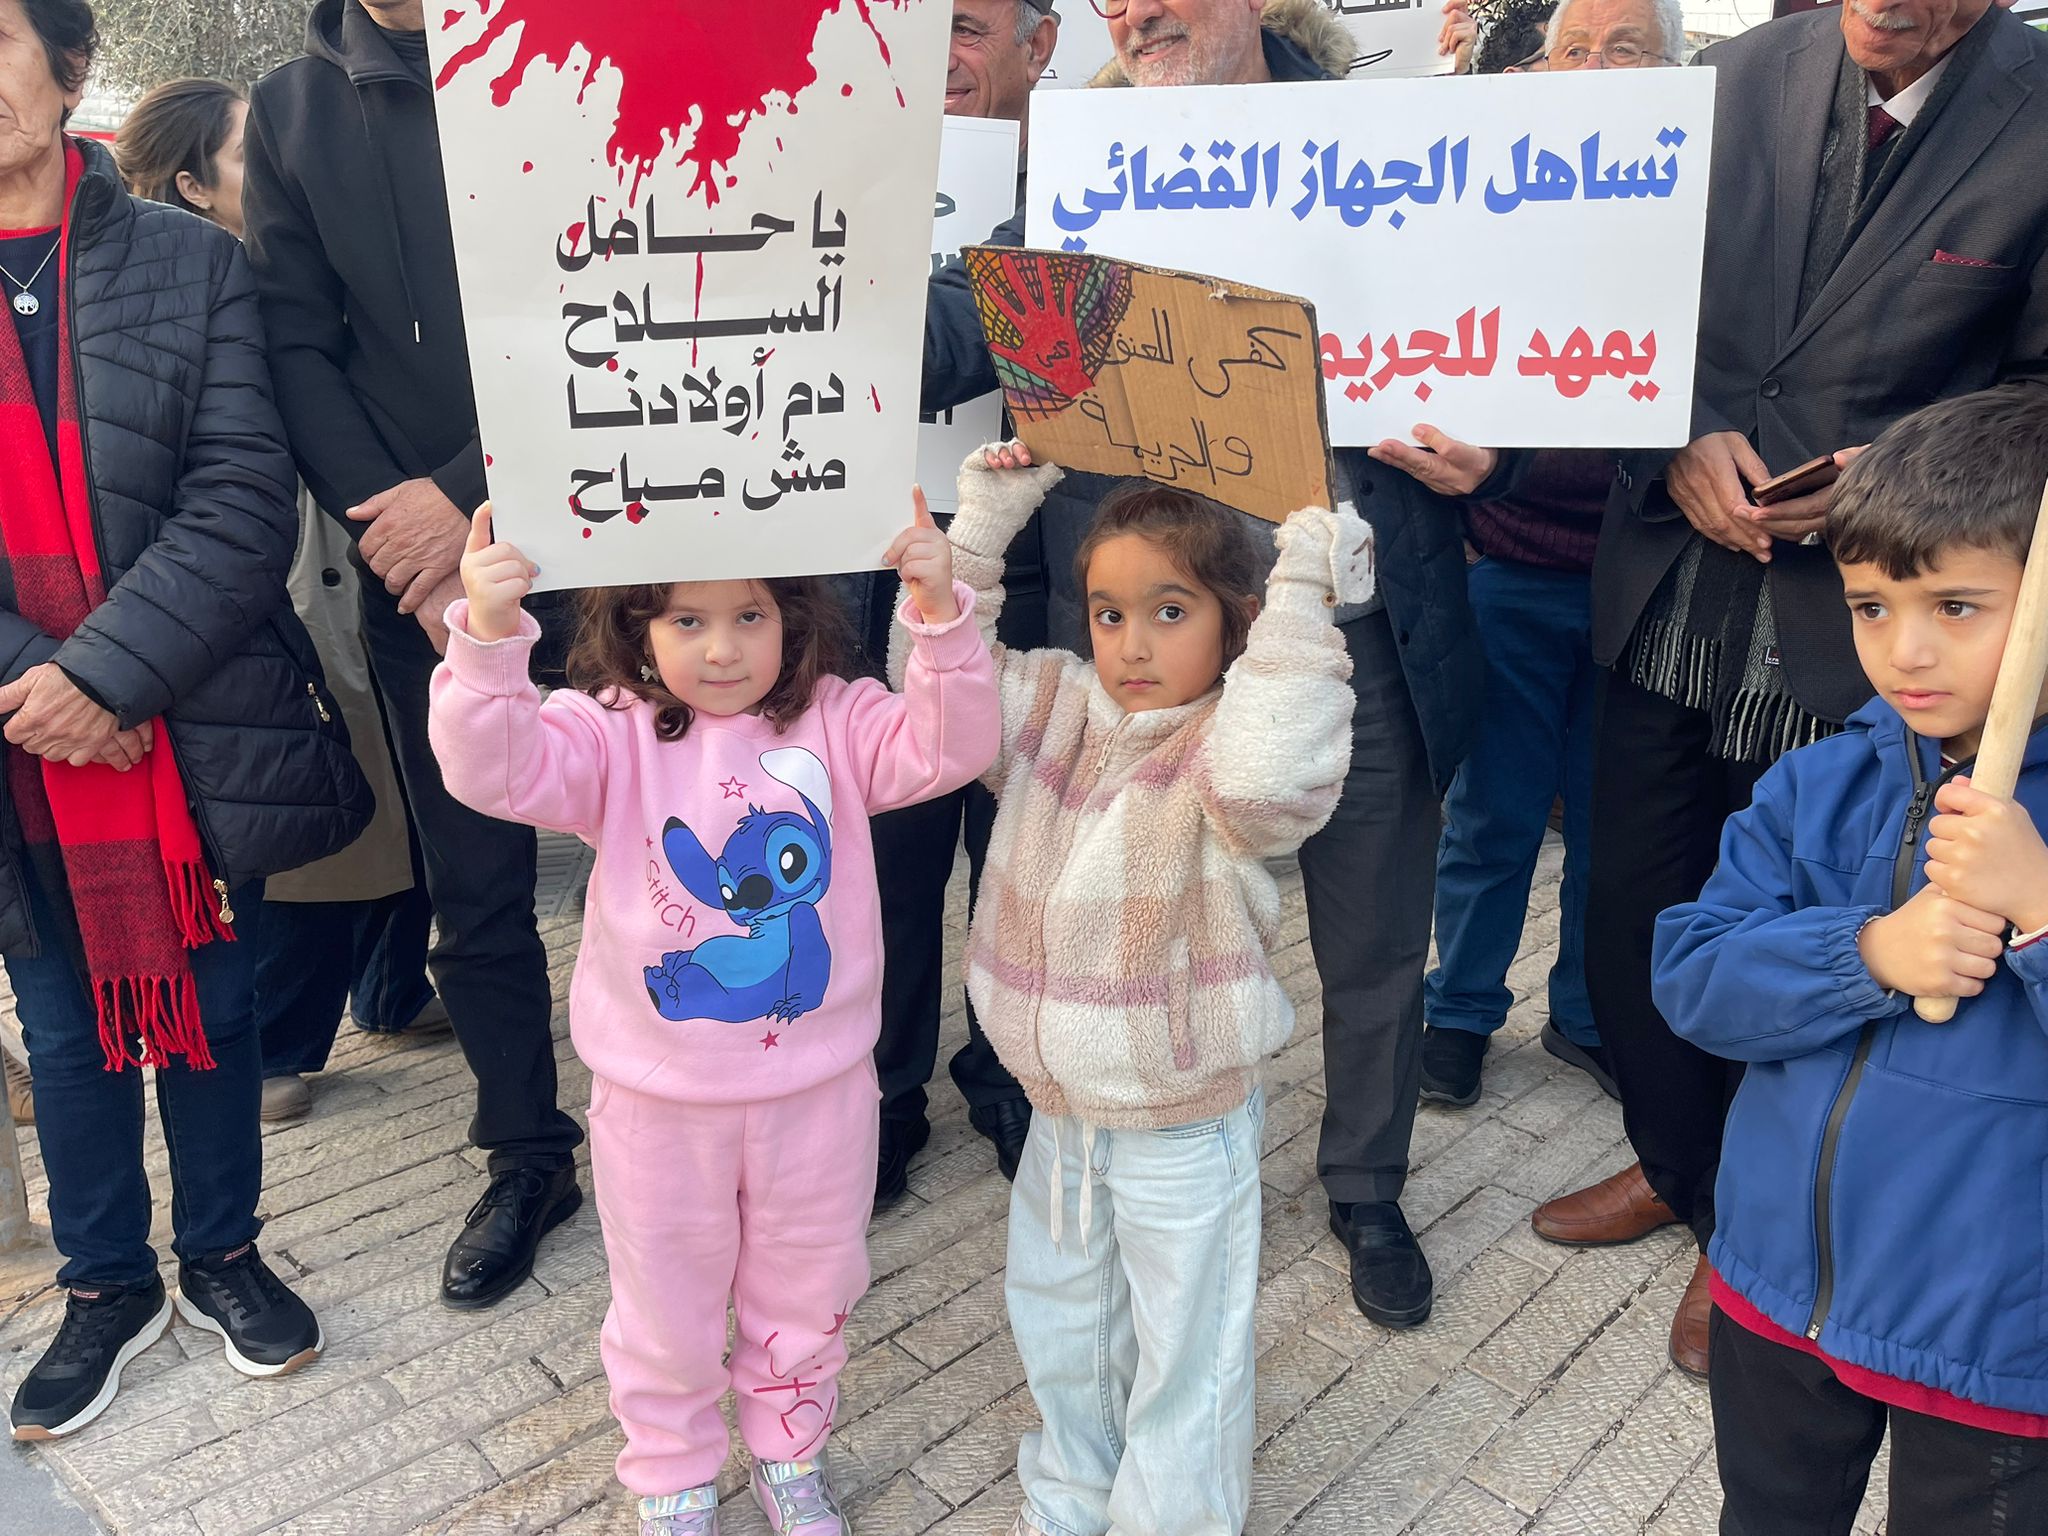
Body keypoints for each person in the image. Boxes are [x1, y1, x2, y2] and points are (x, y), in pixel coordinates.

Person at [928, 0, 1495, 1331]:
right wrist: (826, 304)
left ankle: (1365, 1184)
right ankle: (1126, 1145)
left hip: (1342, 630)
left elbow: (1508, 358)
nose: (1135, 9)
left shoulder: (1393, 144)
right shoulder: (1083, 169)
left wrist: (1496, 454)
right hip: (1146, 653)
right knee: (1135, 926)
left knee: (1372, 937)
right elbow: (968, 323)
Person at [1534, 0, 2048, 1379]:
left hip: (1867, 621)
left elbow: (2038, 386)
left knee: (1810, 920)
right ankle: (1673, 1162)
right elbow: (1610, 300)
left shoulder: (2038, 111)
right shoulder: (1726, 78)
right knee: (1633, 915)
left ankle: (1744, 1234)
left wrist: (1892, 477)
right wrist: (1671, 434)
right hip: (1669, 583)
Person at [428, 495, 999, 1536]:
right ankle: (673, 1472)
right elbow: (494, 770)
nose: (722, 647)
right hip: (658, 1104)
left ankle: (789, 1452)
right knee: (665, 1303)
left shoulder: (839, 717)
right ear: (636, 623)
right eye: (686, 620)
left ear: (794, 616)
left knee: (809, 1288)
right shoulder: (605, 727)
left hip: (817, 1093)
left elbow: (948, 747)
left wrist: (936, 612)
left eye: (749, 616)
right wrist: (490, 638)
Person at [0, 0, 372, 1441]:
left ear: (70, 68)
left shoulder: (189, 261)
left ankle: (222, 1253)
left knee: (214, 1007)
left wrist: (105, 680)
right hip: (21, 743)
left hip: (192, 717)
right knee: (61, 1025)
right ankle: (105, 1284)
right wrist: (41, 688)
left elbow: (240, 499)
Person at [922, 443, 1367, 1536]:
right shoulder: (1055, 708)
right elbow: (940, 694)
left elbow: (1272, 774)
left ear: (1234, 620)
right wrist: (980, 529)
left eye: (1170, 612)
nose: (1131, 644)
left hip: (1180, 1121)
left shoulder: (1232, 742)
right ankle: (1071, 1499)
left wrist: (1301, 591)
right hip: (1060, 1114)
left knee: (1186, 1353)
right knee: (1062, 1322)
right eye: (1109, 613)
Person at [1653, 385, 2048, 1531]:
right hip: (1776, 1288)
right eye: (1870, 605)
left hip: (1989, 1333)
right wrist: (1867, 953)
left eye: (1956, 606)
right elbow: (1693, 978)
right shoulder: (1817, 783)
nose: (1903, 651)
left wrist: (2035, 908)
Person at [243, 0, 589, 1307]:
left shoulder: (576, 60)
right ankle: (526, 1150)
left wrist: (463, 496)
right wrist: (406, 539)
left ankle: (709, 1112)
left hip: (621, 537)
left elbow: (628, 295)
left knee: (678, 838)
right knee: (475, 881)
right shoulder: (293, 112)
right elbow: (295, 346)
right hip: (426, 585)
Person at [112, 76, 444, 1128]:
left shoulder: (310, 250)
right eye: (250, 153)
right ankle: (278, 1041)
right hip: (297, 557)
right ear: (192, 185)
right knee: (325, 794)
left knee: (413, 778)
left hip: (379, 532)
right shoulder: (191, 281)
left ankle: (391, 987)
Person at [1418, 0, 1685, 1108]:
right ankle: (1457, 1013)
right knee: (1493, 815)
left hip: (1647, 583)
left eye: (1627, 48)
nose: (1597, 68)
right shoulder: (1494, 215)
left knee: (1610, 823)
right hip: (1514, 572)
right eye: (1575, 48)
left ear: (1674, 73)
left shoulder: (1693, 221)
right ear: (1539, 68)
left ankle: (1584, 1015)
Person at [872, 0, 1062, 1208]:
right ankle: (884, 1091)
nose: (940, 52)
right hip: (873, 563)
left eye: (971, 25)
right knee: (884, 856)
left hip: (1027, 568)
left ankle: (1003, 1071)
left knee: (1014, 854)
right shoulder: (839, 169)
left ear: (1040, 46)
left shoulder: (1089, 181)